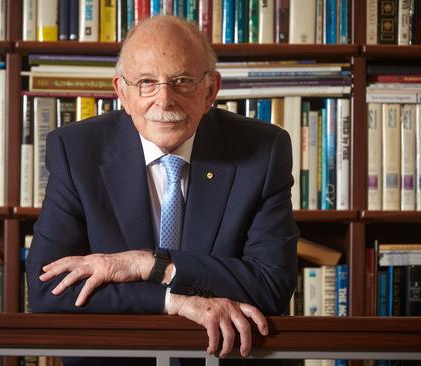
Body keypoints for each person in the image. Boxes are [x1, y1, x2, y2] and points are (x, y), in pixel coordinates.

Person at [26, 15, 299, 366]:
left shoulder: (263, 150)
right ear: (121, 92)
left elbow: (271, 285)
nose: (164, 99)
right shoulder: (77, 150)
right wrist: (175, 302)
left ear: (211, 90)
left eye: (182, 81)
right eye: (146, 82)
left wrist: (149, 265)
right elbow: (47, 289)